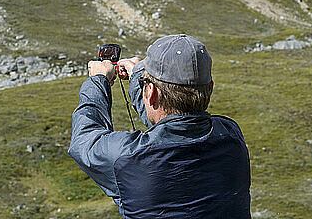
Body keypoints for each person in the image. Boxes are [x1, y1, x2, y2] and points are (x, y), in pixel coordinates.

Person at [68, 34, 251, 218]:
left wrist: (98, 80)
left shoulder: (127, 159)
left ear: (151, 92)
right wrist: (141, 79)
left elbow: (84, 139)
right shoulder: (231, 135)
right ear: (210, 88)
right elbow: (175, 126)